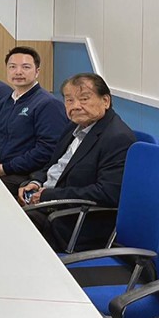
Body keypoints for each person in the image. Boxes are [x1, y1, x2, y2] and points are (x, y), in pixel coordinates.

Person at [19, 73, 136, 251]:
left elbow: (107, 193)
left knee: (7, 230)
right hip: (48, 203)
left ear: (105, 101)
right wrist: (36, 181)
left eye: (84, 99)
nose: (76, 106)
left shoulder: (117, 138)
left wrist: (49, 196)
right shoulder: (75, 126)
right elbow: (54, 164)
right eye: (69, 100)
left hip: (72, 221)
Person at [0, 46, 68, 191]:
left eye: (26, 67)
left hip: (26, 175)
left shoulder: (48, 103)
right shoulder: (7, 100)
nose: (18, 72)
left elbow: (47, 149)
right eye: (12, 67)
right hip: (2, 167)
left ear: (37, 71)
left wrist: (5, 168)